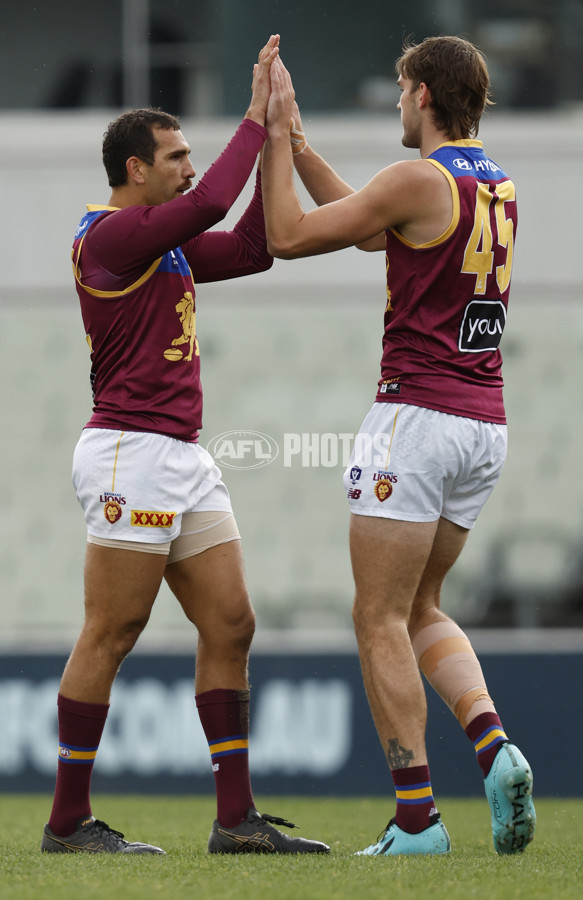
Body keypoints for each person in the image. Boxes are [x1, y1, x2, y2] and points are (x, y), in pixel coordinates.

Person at [41, 33, 329, 857]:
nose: (188, 167)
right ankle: (66, 822)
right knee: (112, 632)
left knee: (232, 623)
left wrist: (277, 137)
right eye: (175, 156)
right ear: (135, 168)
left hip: (181, 454)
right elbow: (208, 212)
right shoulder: (109, 237)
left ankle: (235, 820)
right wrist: (250, 116)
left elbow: (249, 247)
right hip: (130, 449)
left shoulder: (157, 238)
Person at [262, 36, 535, 856]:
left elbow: (288, 234)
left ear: (422, 95)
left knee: (376, 614)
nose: (394, 103)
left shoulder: (418, 176)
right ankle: (495, 746)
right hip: (483, 424)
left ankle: (416, 820)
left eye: (398, 90)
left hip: (413, 420)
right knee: (420, 607)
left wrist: (274, 138)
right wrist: (306, 147)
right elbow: (378, 232)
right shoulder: (494, 183)